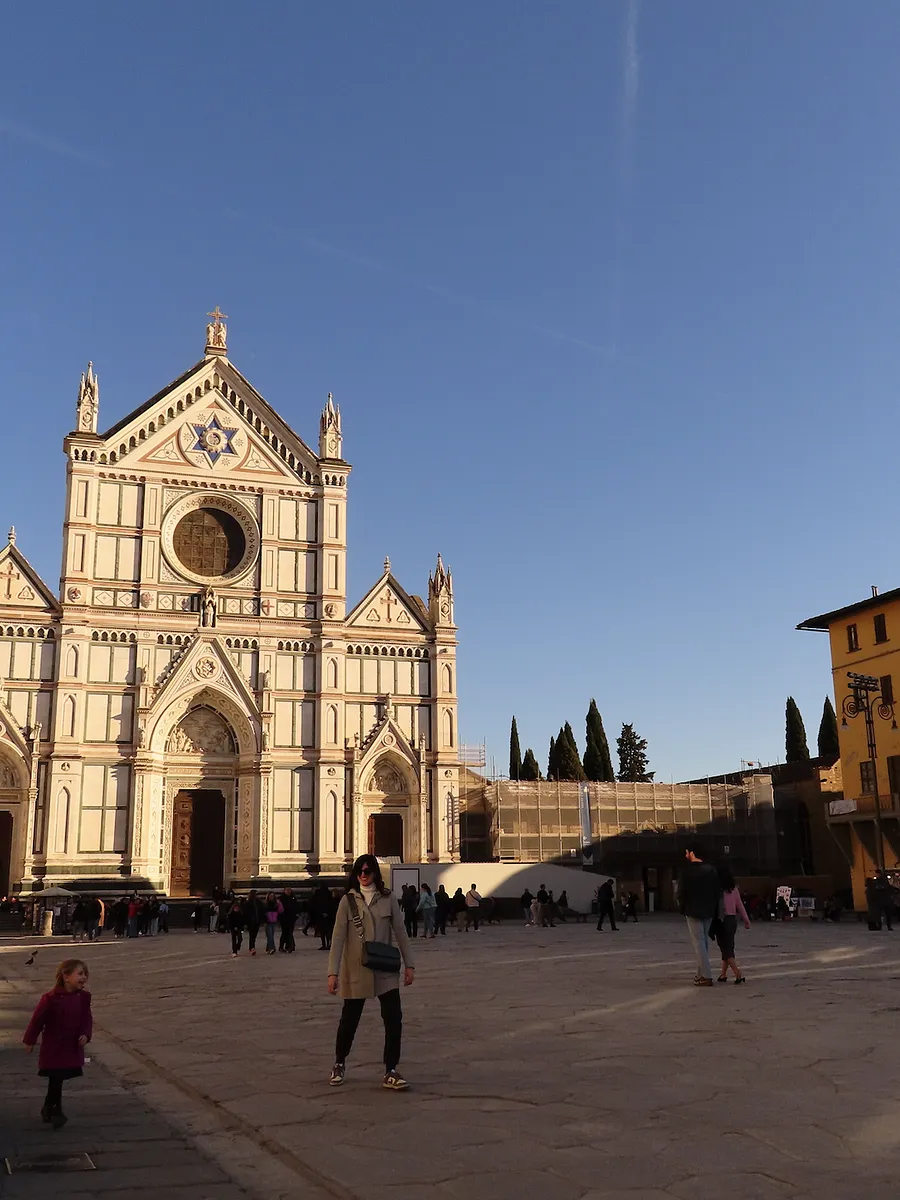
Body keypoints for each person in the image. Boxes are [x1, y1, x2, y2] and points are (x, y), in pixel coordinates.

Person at [327, 855, 415, 1091]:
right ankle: (339, 1062)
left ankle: (391, 1070)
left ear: (375, 873)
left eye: (367, 871)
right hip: (357, 970)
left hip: (385, 969)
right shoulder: (347, 901)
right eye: (359, 871)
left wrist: (410, 964)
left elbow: (401, 932)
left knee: (394, 1019)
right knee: (349, 1020)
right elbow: (337, 939)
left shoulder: (388, 898)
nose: (363, 875)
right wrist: (332, 973)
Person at [22, 958, 92, 1130]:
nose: (83, 977)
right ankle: (55, 1110)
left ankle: (49, 1107)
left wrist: (85, 1034)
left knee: (57, 1078)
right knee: (56, 1077)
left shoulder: (84, 997)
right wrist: (30, 1040)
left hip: (71, 1045)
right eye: (80, 973)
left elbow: (87, 1019)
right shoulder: (50, 999)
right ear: (66, 977)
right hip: (54, 1046)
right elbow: (37, 1021)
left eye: (85, 974)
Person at [679, 844, 722, 987]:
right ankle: (700, 974)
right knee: (703, 943)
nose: (685, 855)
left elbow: (681, 892)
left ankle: (707, 976)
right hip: (708, 910)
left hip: (692, 910)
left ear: (692, 853)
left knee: (699, 943)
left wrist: (683, 908)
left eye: (687, 852)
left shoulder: (687, 871)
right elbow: (717, 892)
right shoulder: (711, 870)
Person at [715, 867, 750, 983]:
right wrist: (746, 919)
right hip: (732, 920)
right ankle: (723, 974)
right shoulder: (734, 889)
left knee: (725, 948)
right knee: (728, 947)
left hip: (722, 920)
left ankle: (737, 972)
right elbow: (739, 905)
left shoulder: (718, 890)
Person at [312, 884, 336, 951]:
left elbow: (315, 904)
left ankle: (324, 944)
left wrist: (320, 912)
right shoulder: (329, 894)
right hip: (328, 916)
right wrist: (328, 913)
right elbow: (332, 905)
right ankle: (328, 944)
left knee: (322, 931)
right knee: (328, 931)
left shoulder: (318, 894)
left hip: (320, 915)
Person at [243, 890, 263, 955]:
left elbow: (261, 910)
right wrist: (245, 923)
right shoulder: (247, 903)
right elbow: (245, 913)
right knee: (252, 935)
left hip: (257, 921)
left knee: (254, 935)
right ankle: (252, 948)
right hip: (250, 921)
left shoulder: (259, 902)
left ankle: (252, 947)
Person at [279, 888, 299, 952]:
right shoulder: (281, 898)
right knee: (285, 932)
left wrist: (297, 914)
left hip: (292, 918)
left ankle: (289, 946)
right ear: (284, 891)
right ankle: (286, 946)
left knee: (289, 932)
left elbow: (296, 906)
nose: (288, 891)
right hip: (284, 918)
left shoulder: (293, 897)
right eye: (287, 890)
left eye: (289, 890)